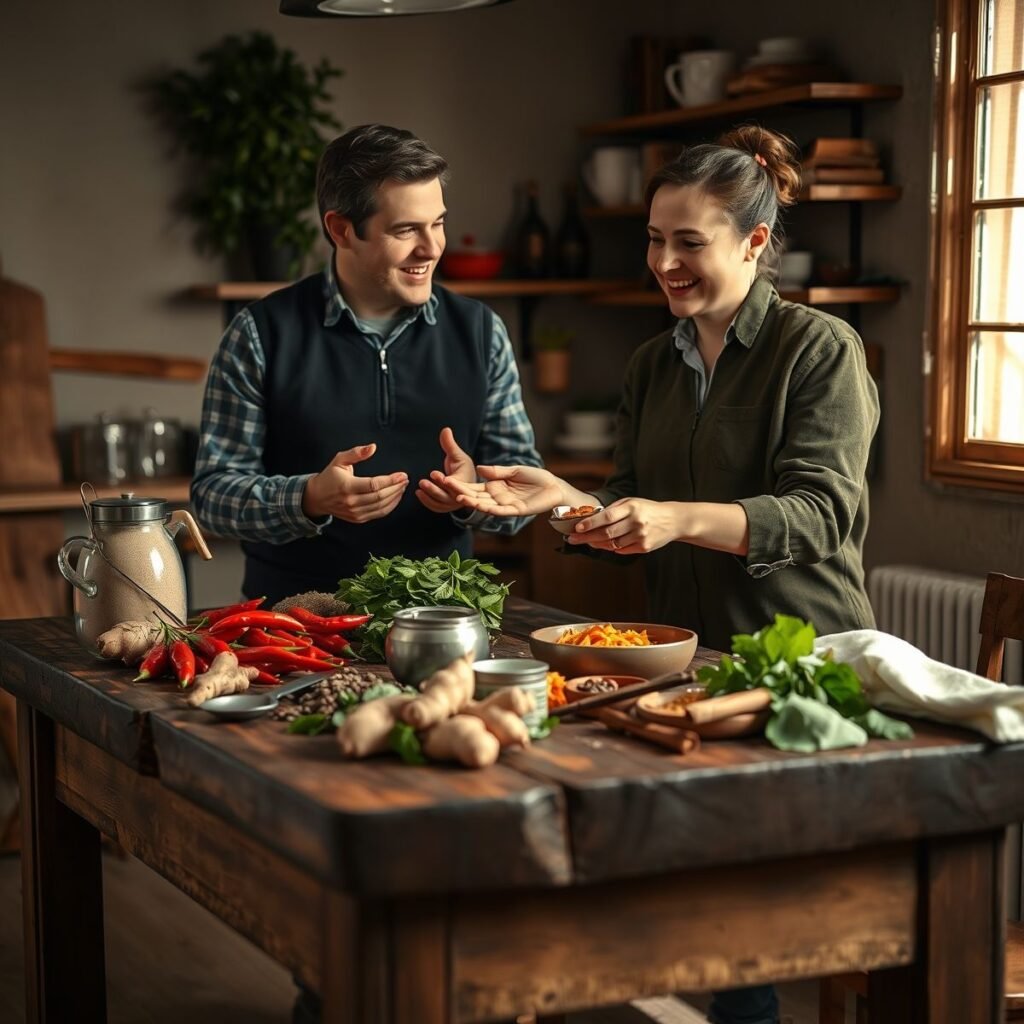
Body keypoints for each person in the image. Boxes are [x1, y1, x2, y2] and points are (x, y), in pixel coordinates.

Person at [436, 125, 880, 1024]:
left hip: (800, 662)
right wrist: (549, 495)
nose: (664, 263)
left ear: (755, 242)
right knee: (704, 911)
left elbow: (822, 516)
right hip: (684, 669)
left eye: (689, 241)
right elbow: (628, 510)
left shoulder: (818, 350)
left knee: (736, 920)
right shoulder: (653, 364)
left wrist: (674, 518)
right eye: (654, 239)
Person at [192, 124, 541, 605]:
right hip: (295, 629)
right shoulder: (259, 333)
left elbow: (526, 493)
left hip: (442, 622)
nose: (433, 247)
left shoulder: (482, 333)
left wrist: (476, 492)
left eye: (437, 223)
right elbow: (211, 498)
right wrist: (309, 498)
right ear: (341, 229)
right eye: (405, 230)